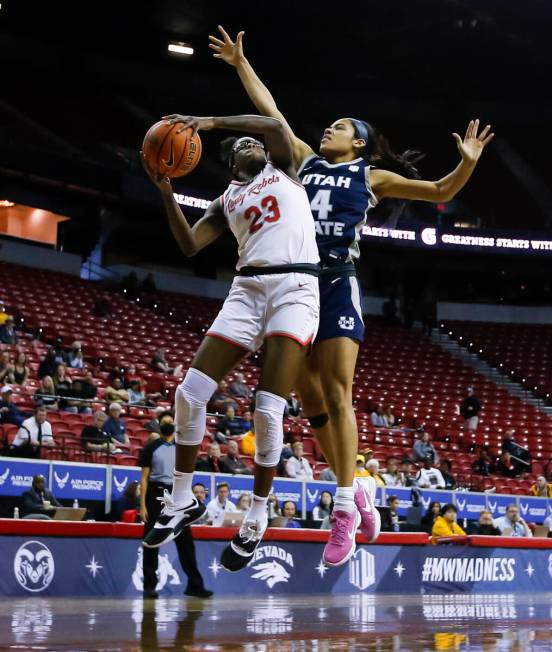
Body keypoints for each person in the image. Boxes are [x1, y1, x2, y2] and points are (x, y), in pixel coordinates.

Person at [211, 25, 494, 566]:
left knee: (338, 393)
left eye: (340, 127)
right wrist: (241, 65)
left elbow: (438, 192)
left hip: (337, 279)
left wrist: (469, 162)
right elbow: (273, 114)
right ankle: (358, 485)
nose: (328, 130)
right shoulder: (302, 160)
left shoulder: (373, 176)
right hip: (295, 284)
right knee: (310, 400)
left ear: (357, 143)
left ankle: (343, 506)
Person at [141, 111, 320, 575]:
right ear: (231, 162)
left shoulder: (283, 168)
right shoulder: (225, 200)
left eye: (252, 142)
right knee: (189, 393)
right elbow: (189, 246)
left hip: (295, 288)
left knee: (266, 407)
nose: (252, 144)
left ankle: (258, 516)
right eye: (243, 145)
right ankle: (182, 498)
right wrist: (166, 194)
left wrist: (211, 121)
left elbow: (279, 127)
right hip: (246, 290)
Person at [139, 422, 212, 598]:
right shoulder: (151, 448)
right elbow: (144, 478)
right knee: (151, 540)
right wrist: (142, 505)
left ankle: (195, 585)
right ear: (159, 427)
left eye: (170, 421)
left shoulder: (181, 448)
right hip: (155, 494)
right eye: (163, 421)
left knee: (186, 542)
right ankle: (149, 586)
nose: (167, 424)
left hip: (177, 494)